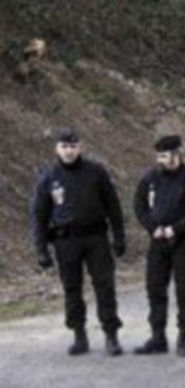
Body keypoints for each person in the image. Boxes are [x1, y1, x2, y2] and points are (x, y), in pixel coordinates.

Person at [30, 127, 126, 356]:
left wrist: (119, 237)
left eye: (73, 146)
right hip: (66, 241)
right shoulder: (49, 177)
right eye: (64, 146)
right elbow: (39, 215)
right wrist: (41, 249)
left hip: (96, 238)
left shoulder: (96, 172)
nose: (69, 151)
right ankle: (79, 336)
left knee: (105, 286)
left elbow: (113, 206)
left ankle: (111, 336)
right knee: (72, 289)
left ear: (80, 147)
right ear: (57, 148)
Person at [132, 135, 185, 357]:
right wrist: (151, 227)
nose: (160, 160)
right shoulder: (151, 178)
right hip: (157, 241)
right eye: (158, 155)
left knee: (184, 290)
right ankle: (158, 337)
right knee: (155, 289)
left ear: (177, 154)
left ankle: (184, 337)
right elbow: (139, 204)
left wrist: (176, 228)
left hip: (183, 242)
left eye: (165, 155)